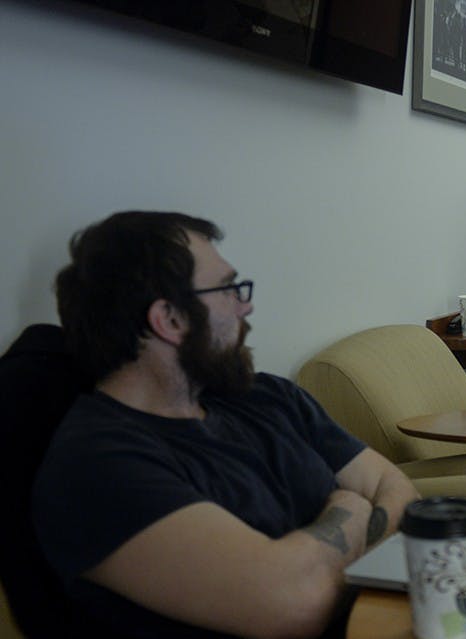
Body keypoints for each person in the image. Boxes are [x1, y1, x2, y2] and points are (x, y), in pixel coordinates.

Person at [31, 211, 420, 638]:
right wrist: (351, 507)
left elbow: (401, 493)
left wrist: (323, 554)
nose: (245, 305)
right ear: (170, 319)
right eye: (228, 289)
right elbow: (292, 603)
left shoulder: (268, 397)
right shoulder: (98, 464)